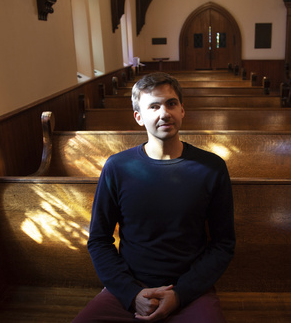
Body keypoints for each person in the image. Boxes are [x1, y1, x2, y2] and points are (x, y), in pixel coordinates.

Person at [73, 72, 235, 322]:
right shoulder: (117, 167)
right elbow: (98, 240)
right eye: (154, 106)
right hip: (129, 287)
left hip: (189, 289)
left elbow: (223, 243)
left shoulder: (211, 167)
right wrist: (132, 293)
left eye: (171, 103)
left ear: (182, 110)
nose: (164, 113)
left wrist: (181, 294)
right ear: (139, 117)